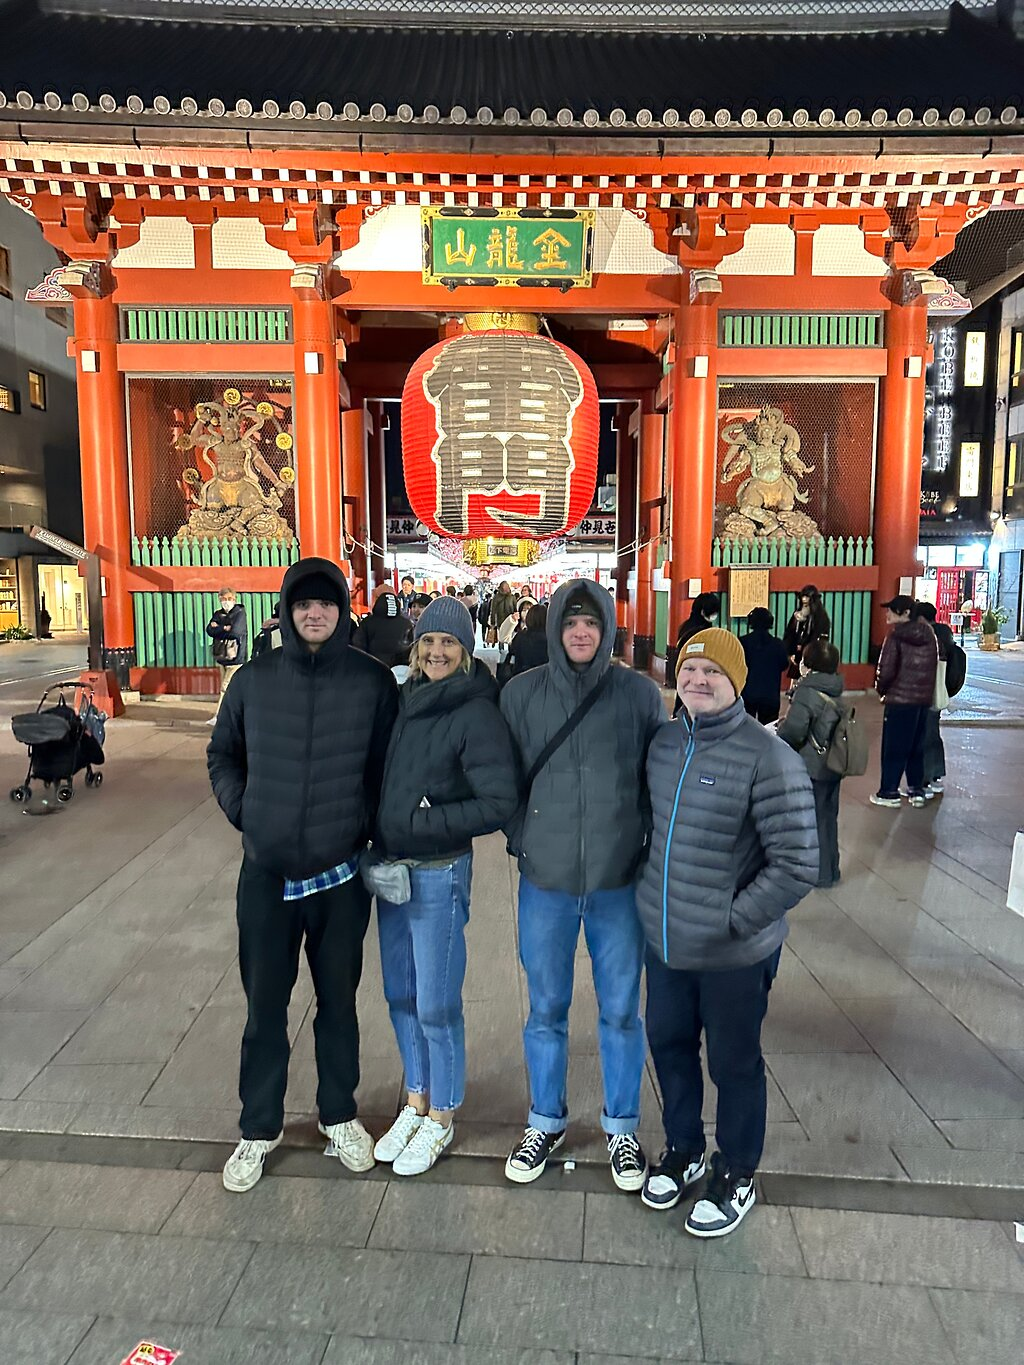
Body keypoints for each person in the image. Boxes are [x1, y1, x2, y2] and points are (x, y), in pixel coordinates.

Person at [207, 558, 399, 1193]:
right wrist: (247, 813)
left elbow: (385, 768)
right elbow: (223, 755)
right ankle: (258, 1127)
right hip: (266, 876)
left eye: (326, 604)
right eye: (303, 604)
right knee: (265, 1006)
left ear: (342, 612)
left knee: (338, 1003)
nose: (315, 614)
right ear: (288, 612)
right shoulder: (253, 681)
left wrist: (362, 824)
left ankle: (338, 1115)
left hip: (339, 877)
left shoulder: (372, 683)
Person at [638, 628, 817, 1236]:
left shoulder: (769, 757)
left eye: (713, 672)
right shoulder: (665, 743)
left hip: (733, 952)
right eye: (690, 669)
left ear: (736, 683)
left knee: (733, 1063)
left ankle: (738, 1171)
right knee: (668, 1046)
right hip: (666, 942)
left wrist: (732, 920)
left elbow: (797, 864)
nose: (698, 680)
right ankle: (684, 1149)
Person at [500, 579, 665, 1190]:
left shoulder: (638, 696)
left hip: (616, 882)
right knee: (546, 1008)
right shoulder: (521, 694)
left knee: (621, 1011)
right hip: (545, 881)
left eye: (591, 623)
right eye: (570, 623)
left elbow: (655, 778)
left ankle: (622, 1126)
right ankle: (545, 1119)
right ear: (554, 629)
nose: (580, 633)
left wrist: (641, 842)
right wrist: (524, 836)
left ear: (607, 630)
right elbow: (502, 777)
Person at [371, 597, 519, 1175]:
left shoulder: (476, 711)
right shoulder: (403, 699)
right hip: (392, 870)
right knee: (400, 994)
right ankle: (415, 1098)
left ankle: (443, 1113)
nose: (437, 652)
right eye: (429, 641)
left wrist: (423, 823)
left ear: (466, 651)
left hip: (439, 871)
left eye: (449, 643)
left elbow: (497, 800)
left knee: (436, 1001)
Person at [777, 638, 845, 888]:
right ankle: (831, 869)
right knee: (828, 816)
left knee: (813, 817)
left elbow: (794, 732)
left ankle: (819, 873)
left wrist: (779, 730)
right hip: (834, 761)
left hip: (812, 764)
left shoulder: (807, 691)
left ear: (808, 664)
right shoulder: (835, 687)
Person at [871, 594, 939, 809]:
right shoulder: (929, 635)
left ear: (906, 613)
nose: (887, 614)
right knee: (916, 746)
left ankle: (889, 791)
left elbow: (886, 670)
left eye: (891, 610)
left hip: (899, 700)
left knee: (894, 747)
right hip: (922, 700)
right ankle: (916, 790)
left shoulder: (895, 636)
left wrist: (881, 689)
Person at [912, 601, 953, 798]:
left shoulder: (927, 635)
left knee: (924, 735)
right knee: (933, 734)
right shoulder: (945, 633)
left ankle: (924, 780)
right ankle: (936, 776)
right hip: (939, 690)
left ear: (921, 618)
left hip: (925, 692)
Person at [670, 593, 721, 715]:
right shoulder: (700, 631)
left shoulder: (686, 626)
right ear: (702, 611)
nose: (714, 615)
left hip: (685, 672)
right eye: (711, 612)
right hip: (698, 674)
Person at [740, 607, 790, 724]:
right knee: (768, 728)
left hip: (748, 692)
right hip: (770, 694)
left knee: (746, 726)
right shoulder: (778, 644)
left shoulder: (743, 642)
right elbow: (784, 665)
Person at [206, 588, 248, 724]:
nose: (226, 602)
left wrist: (218, 628)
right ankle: (237, 715)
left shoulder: (240, 613)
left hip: (236, 657)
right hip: (221, 657)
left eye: (230, 599)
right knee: (232, 688)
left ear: (234, 599)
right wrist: (224, 628)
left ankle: (219, 717)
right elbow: (209, 630)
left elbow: (235, 632)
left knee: (225, 687)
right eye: (223, 599)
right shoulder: (218, 614)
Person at [351, 590, 413, 668]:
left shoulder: (368, 622)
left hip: (373, 667)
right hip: (401, 669)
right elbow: (412, 645)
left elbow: (358, 644)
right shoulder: (407, 623)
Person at [782, 585, 831, 683]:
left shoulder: (820, 617)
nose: (805, 606)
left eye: (807, 604)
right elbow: (789, 633)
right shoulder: (797, 615)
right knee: (795, 684)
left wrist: (809, 653)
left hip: (812, 657)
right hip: (797, 655)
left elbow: (820, 639)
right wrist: (790, 652)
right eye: (803, 603)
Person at [506, 603, 549, 678]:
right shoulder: (551, 638)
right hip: (545, 678)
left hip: (521, 677)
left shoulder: (520, 637)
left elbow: (512, 652)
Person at [487, 580, 517, 653]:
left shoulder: (512, 597)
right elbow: (493, 610)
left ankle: (510, 650)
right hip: (501, 620)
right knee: (501, 636)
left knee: (510, 635)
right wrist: (493, 622)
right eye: (504, 587)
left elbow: (515, 609)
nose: (506, 589)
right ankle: (501, 650)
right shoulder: (496, 597)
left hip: (510, 619)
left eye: (507, 587)